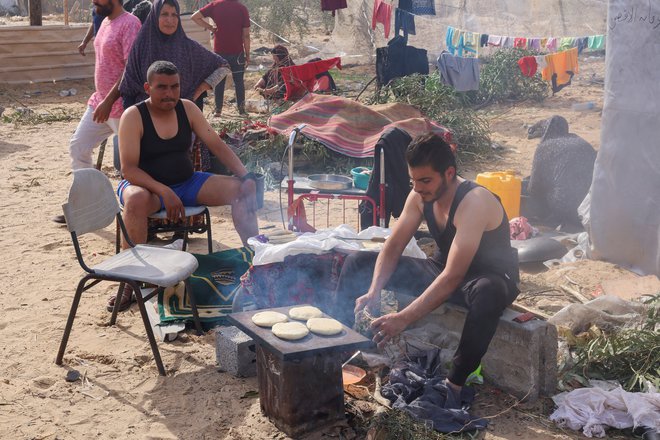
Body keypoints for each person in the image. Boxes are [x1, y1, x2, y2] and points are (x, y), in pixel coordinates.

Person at [333, 132, 519, 409]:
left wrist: (404, 318)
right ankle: (337, 348)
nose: (418, 188)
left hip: (483, 280)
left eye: (425, 180)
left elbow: (454, 275)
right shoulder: (419, 196)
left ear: (449, 173)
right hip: (440, 271)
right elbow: (394, 245)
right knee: (358, 262)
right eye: (413, 180)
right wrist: (373, 291)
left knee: (488, 293)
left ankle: (454, 383)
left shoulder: (474, 202)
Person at [113, 60, 259, 311]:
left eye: (174, 87)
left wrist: (246, 177)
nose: (169, 94)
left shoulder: (188, 109)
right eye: (162, 88)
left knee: (241, 191)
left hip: (188, 182)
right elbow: (129, 169)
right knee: (135, 200)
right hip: (147, 188)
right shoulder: (134, 116)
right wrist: (163, 190)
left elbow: (217, 145)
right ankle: (130, 281)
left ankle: (258, 260)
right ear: (148, 88)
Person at [54, 0, 141, 224]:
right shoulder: (104, 22)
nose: (94, 1)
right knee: (78, 147)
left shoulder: (130, 24)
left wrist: (110, 100)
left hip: (121, 107)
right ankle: (85, 207)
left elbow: (131, 67)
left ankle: (139, 214)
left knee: (133, 165)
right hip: (100, 102)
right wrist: (103, 101)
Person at [120, 0, 229, 111]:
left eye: (174, 15)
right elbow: (128, 88)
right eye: (164, 14)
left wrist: (198, 91)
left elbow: (223, 66)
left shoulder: (188, 48)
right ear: (155, 16)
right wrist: (130, 119)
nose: (170, 20)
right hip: (146, 118)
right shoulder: (141, 46)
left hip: (180, 117)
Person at [191, 0, 250, 116]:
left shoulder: (214, 5)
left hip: (219, 53)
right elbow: (246, 35)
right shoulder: (241, 8)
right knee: (238, 82)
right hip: (237, 53)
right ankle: (242, 110)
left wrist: (210, 27)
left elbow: (195, 17)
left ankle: (218, 110)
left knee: (219, 81)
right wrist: (247, 54)